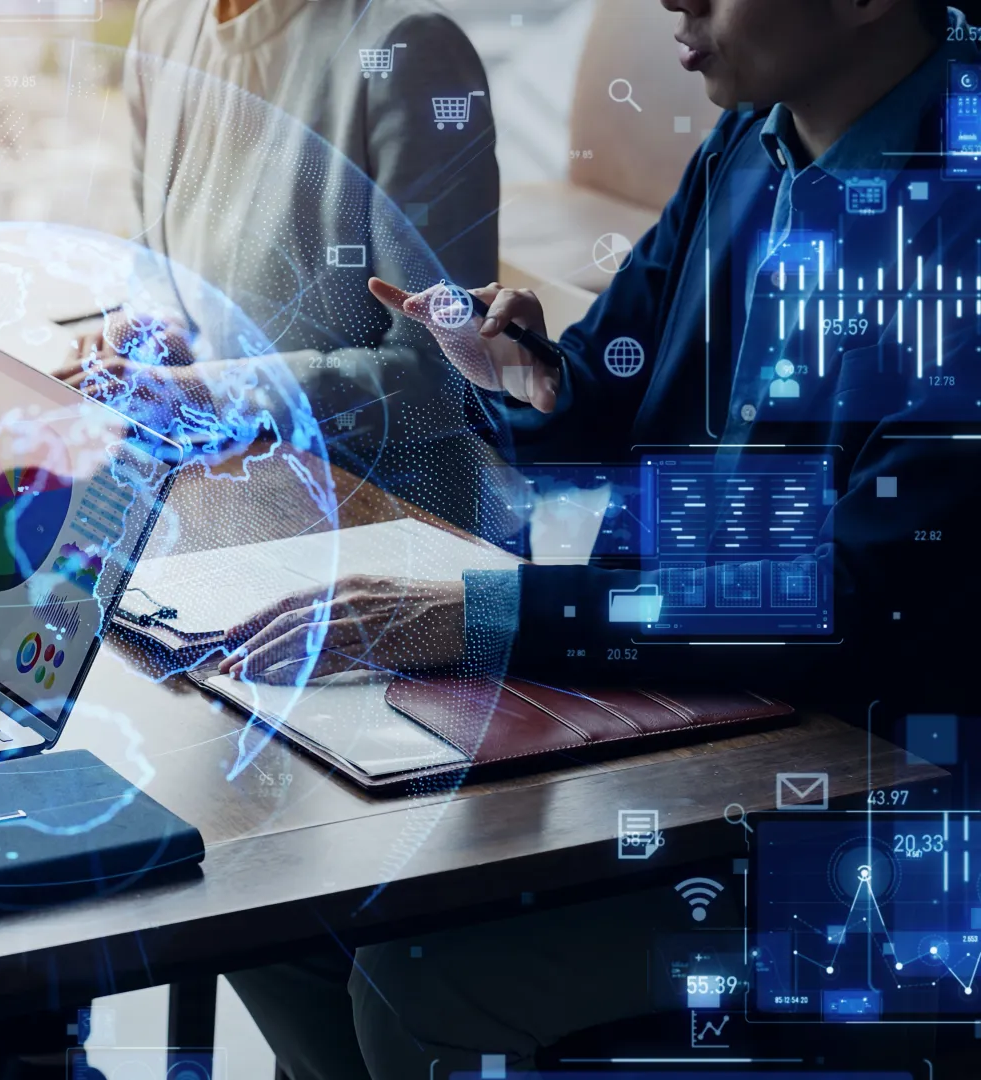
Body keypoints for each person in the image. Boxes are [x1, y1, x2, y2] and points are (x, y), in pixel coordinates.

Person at [220, 0, 976, 1076]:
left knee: (423, 974)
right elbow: (607, 392)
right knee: (276, 909)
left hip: (881, 817)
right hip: (699, 729)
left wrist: (486, 617)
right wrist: (525, 374)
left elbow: (849, 597)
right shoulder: (751, 143)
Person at [55, 0, 503, 531]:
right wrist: (156, 331)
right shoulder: (164, 21)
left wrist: (206, 393)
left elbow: (443, 377)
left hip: (382, 519)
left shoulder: (409, 47)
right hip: (224, 477)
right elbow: (159, 262)